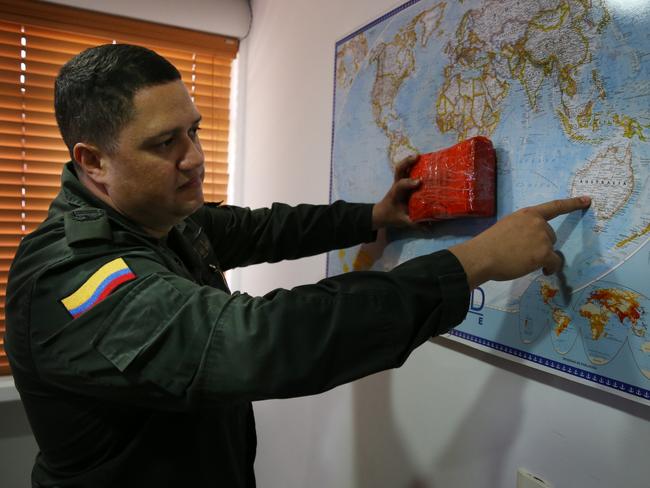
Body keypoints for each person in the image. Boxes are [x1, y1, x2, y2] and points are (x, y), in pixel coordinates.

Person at [4, 44, 590, 487]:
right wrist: (473, 261)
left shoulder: (157, 217)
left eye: (195, 132)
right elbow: (257, 342)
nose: (196, 159)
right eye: (165, 144)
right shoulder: (69, 275)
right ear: (93, 161)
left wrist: (373, 216)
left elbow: (265, 227)